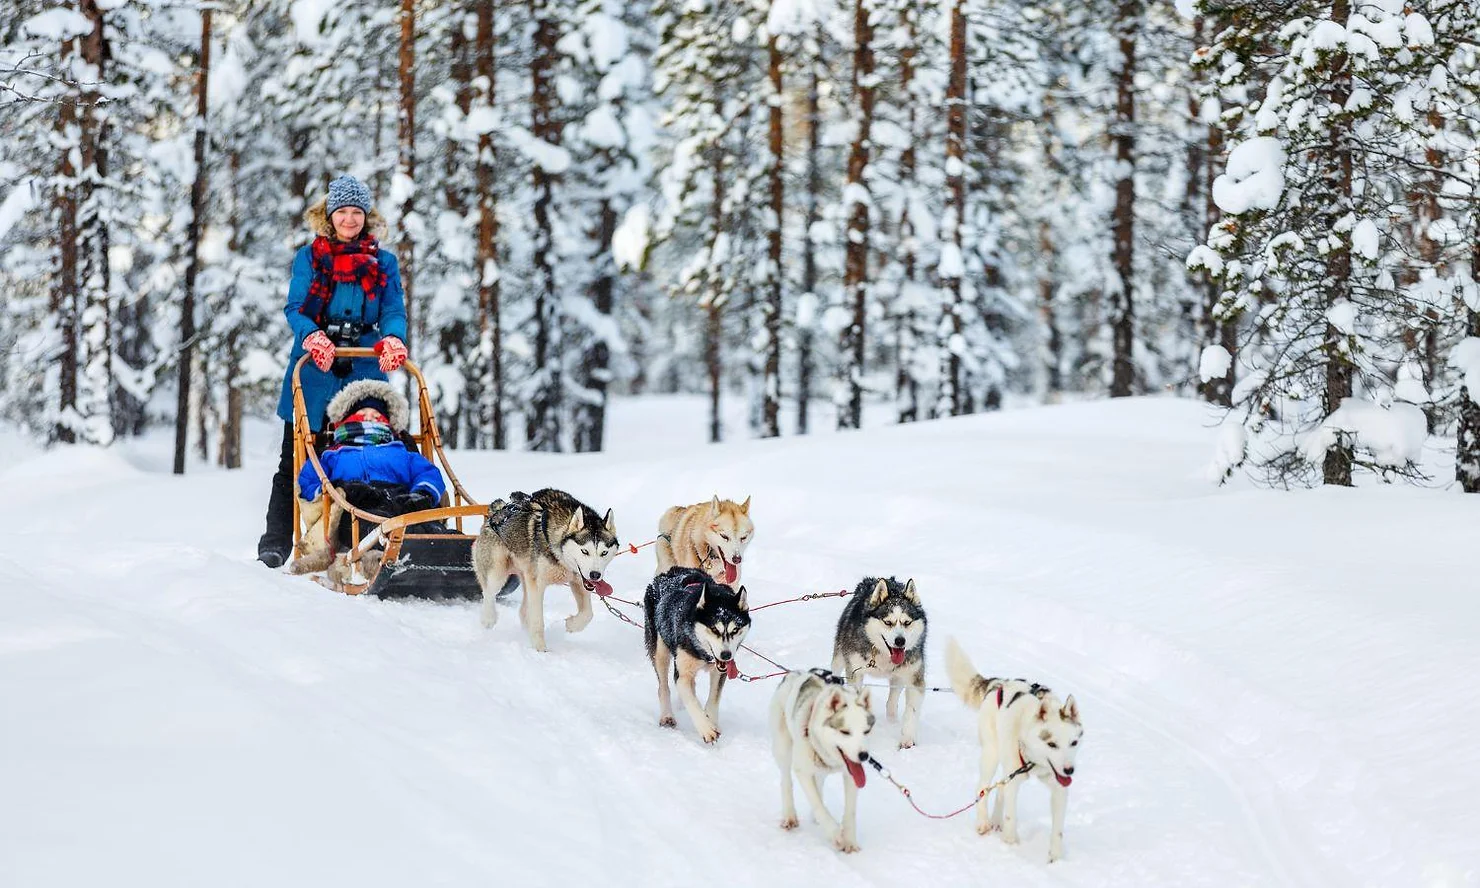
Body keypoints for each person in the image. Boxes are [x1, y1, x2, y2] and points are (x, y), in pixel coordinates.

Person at [257, 174, 409, 568]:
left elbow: (392, 309)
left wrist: (392, 338)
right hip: (314, 371)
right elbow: (296, 308)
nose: (349, 219)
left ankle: (372, 534)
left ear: (366, 216)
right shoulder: (310, 258)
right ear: (329, 215)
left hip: (364, 366)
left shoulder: (384, 262)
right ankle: (276, 544)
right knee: (297, 457)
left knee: (370, 451)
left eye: (356, 212)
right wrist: (313, 336)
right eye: (342, 211)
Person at [292, 380, 446, 573]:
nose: (369, 419)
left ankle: (454, 548)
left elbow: (427, 473)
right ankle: (379, 558)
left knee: (426, 525)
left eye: (376, 416)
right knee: (374, 524)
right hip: (355, 506)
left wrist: (422, 493)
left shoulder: (401, 451)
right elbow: (308, 481)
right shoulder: (332, 454)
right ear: (346, 421)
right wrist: (335, 489)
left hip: (400, 501)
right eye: (362, 415)